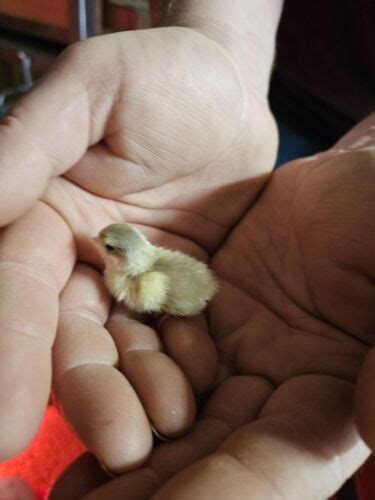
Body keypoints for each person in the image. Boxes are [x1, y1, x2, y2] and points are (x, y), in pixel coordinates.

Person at [0, 1, 373, 498]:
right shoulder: (139, 264)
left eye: (108, 247)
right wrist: (220, 35)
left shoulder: (138, 276)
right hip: (268, 93)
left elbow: (158, 292)